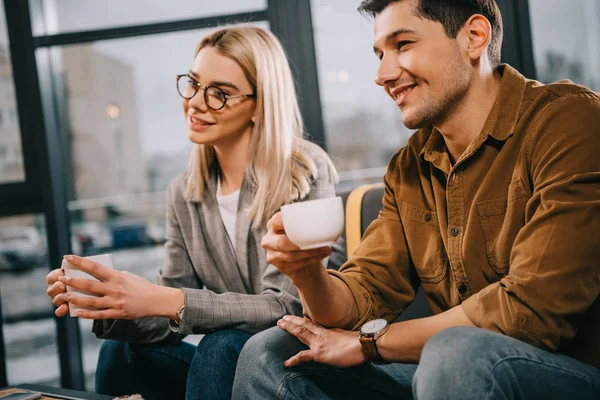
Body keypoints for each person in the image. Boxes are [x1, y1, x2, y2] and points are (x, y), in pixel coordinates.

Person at [231, 1, 600, 399]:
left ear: (474, 37)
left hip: (565, 373)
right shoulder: (409, 166)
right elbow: (363, 296)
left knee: (453, 352)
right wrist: (306, 272)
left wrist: (368, 344)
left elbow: (532, 309)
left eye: (403, 44)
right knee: (267, 352)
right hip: (447, 375)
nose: (382, 75)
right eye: (379, 54)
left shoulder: (569, 121)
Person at [45, 25, 345, 400]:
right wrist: (109, 301)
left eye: (219, 93)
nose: (196, 102)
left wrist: (167, 300)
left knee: (221, 346)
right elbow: (167, 315)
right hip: (224, 366)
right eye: (194, 84)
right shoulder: (184, 192)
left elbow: (288, 307)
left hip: (298, 364)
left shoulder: (304, 171)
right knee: (120, 349)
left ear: (260, 105)